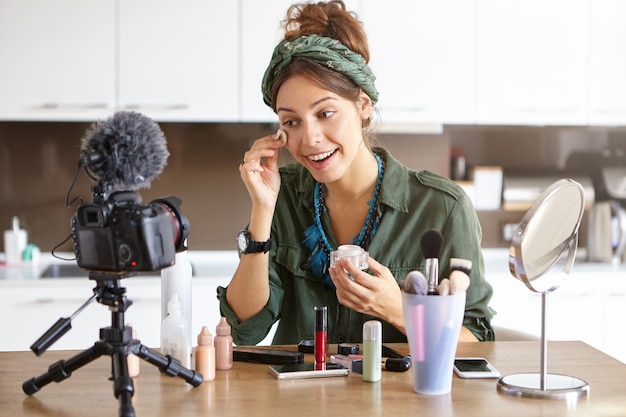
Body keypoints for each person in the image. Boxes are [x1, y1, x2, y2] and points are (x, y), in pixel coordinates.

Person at [217, 0, 494, 345]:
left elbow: (480, 341)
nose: (310, 139)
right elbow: (245, 329)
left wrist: (399, 309)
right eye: (291, 122)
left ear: (363, 105)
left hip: (401, 399)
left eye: (326, 113)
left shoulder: (443, 207)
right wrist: (261, 208)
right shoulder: (282, 197)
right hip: (299, 398)